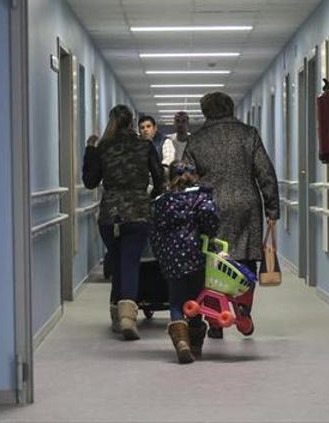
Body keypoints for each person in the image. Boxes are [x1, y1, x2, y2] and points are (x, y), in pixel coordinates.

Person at [182, 91, 280, 339]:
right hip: (246, 204)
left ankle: (215, 319)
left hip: (210, 205)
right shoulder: (249, 134)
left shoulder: (197, 141)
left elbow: (185, 179)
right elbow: (265, 173)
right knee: (244, 258)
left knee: (212, 261)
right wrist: (272, 208)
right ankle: (243, 309)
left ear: (205, 112)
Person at [83, 105, 165, 340]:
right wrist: (149, 198)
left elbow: (90, 181)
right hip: (138, 212)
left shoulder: (103, 147)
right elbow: (159, 178)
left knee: (118, 261)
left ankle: (116, 315)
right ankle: (127, 317)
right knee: (129, 262)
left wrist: (90, 149)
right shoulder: (144, 145)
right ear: (131, 123)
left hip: (110, 214)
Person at [151, 162, 219, 363]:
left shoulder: (162, 202)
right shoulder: (201, 198)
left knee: (176, 301)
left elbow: (154, 231)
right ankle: (196, 345)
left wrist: (160, 255)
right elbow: (211, 221)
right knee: (196, 300)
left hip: (172, 258)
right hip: (196, 256)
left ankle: (181, 342)